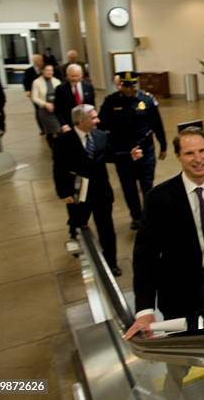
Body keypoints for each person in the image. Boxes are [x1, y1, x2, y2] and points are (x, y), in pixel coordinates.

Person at [124, 126, 204, 340]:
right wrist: (145, 310)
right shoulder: (159, 198)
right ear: (178, 156)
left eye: (202, 150)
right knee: (181, 349)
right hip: (177, 291)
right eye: (189, 153)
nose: (198, 158)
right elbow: (146, 256)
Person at [53, 104, 121, 276]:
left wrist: (130, 155)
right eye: (93, 118)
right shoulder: (63, 141)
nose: (98, 120)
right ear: (81, 121)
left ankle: (111, 263)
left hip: (101, 192)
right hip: (78, 192)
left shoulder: (100, 136)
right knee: (78, 222)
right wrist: (64, 193)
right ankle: (75, 240)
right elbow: (58, 169)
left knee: (106, 228)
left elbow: (110, 155)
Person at [99, 71, 167, 230]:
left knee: (147, 186)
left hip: (145, 151)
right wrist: (107, 148)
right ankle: (136, 216)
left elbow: (157, 124)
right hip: (123, 153)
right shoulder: (111, 101)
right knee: (128, 187)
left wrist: (163, 145)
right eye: (126, 86)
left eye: (132, 86)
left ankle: (149, 215)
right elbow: (102, 126)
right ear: (121, 85)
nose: (129, 89)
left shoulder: (147, 100)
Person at [54, 64, 96, 133]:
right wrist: (63, 124)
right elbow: (58, 109)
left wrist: (93, 120)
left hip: (86, 122)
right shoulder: (60, 89)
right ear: (67, 75)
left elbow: (92, 106)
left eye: (77, 76)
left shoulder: (88, 87)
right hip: (69, 124)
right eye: (72, 76)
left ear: (81, 75)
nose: (75, 78)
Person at [31, 64, 61, 149]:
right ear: (42, 71)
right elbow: (35, 98)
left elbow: (60, 95)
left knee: (59, 130)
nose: (49, 72)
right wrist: (45, 104)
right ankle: (52, 147)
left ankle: (59, 148)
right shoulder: (36, 82)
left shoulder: (57, 81)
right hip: (45, 111)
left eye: (51, 70)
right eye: (47, 70)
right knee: (50, 132)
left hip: (56, 109)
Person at [23, 54, 45, 135]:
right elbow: (26, 82)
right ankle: (42, 128)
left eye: (41, 60)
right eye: (37, 61)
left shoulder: (46, 69)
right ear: (34, 62)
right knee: (38, 110)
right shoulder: (29, 71)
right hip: (35, 94)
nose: (39, 63)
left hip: (45, 92)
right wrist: (27, 90)